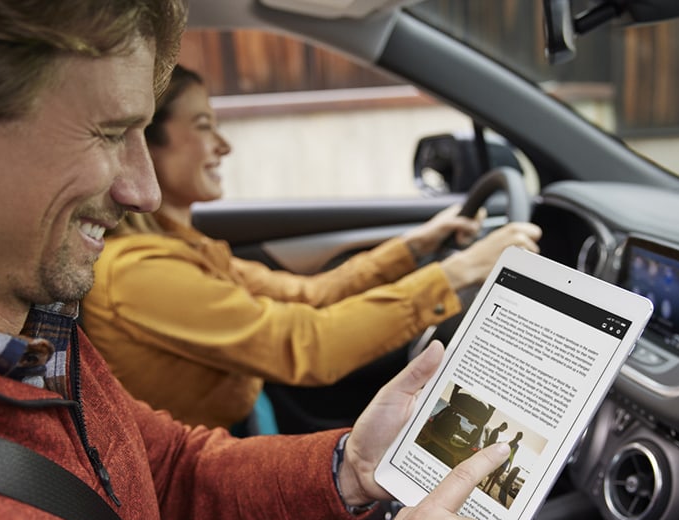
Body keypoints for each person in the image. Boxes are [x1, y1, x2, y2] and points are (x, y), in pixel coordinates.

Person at [0, 2, 512, 520]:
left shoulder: (25, 330)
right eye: (110, 133)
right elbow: (297, 338)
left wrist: (349, 465)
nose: (141, 191)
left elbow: (164, 470)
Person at [81, 64, 542, 431]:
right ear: (144, 143)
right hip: (207, 463)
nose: (223, 145)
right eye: (203, 126)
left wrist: (413, 246)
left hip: (241, 425)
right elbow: (307, 346)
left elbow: (310, 295)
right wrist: (456, 273)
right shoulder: (137, 274)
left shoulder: (183, 247)